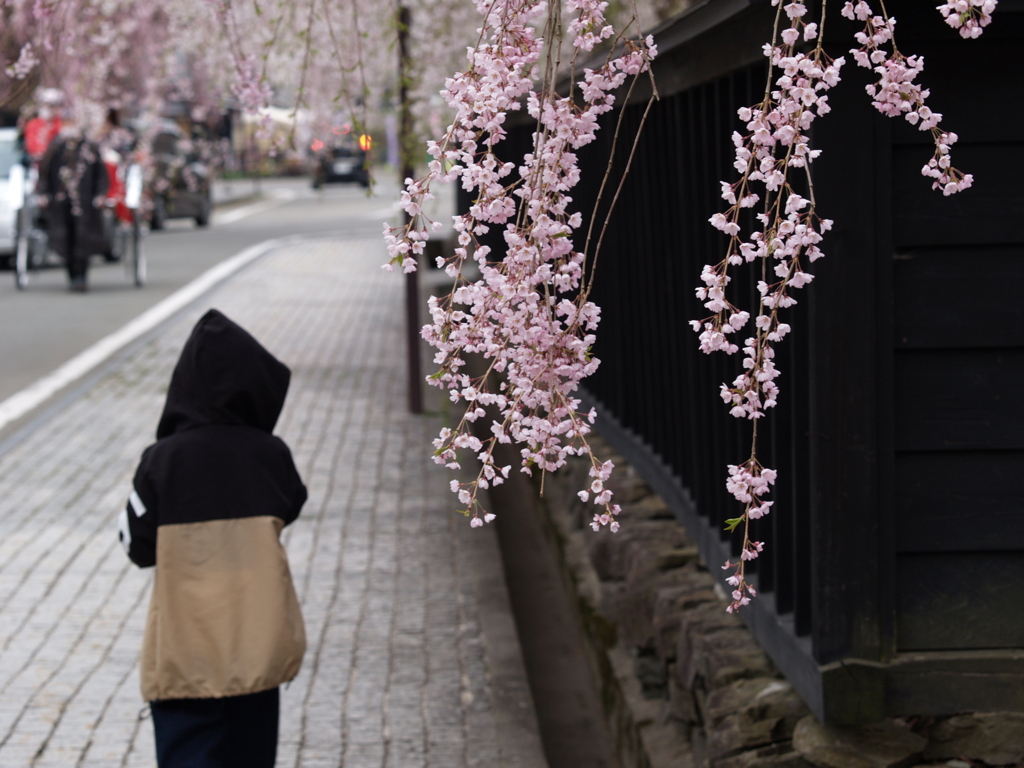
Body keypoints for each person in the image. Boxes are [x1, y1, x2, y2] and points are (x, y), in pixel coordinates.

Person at [118, 309, 308, 768]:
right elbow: (293, 504)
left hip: (187, 655)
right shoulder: (270, 455)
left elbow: (135, 544)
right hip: (256, 653)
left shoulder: (162, 461)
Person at [37, 119, 109, 292]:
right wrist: (44, 194)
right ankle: (72, 277)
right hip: (60, 203)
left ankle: (82, 277)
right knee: (65, 239)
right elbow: (44, 174)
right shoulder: (55, 149)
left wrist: (99, 195)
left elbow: (100, 174)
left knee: (83, 239)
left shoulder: (89, 148)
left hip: (85, 203)